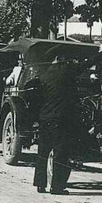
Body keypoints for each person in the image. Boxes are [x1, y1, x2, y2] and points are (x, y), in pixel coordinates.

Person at [33, 55, 80, 195]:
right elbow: (86, 65)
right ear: (62, 59)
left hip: (45, 118)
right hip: (61, 118)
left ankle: (40, 185)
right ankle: (57, 187)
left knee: (43, 152)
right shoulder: (67, 71)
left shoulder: (45, 74)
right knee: (60, 152)